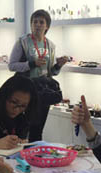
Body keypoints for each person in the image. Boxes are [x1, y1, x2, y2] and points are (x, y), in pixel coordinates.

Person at [8, 9, 67, 139]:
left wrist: (58, 65)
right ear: (31, 24)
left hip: (42, 91)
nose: (37, 25)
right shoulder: (22, 42)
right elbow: (11, 65)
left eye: (41, 22)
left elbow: (51, 72)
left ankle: (36, 152)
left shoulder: (50, 45)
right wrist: (31, 64)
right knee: (22, 129)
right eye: (35, 22)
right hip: (25, 91)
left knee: (38, 130)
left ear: (47, 26)